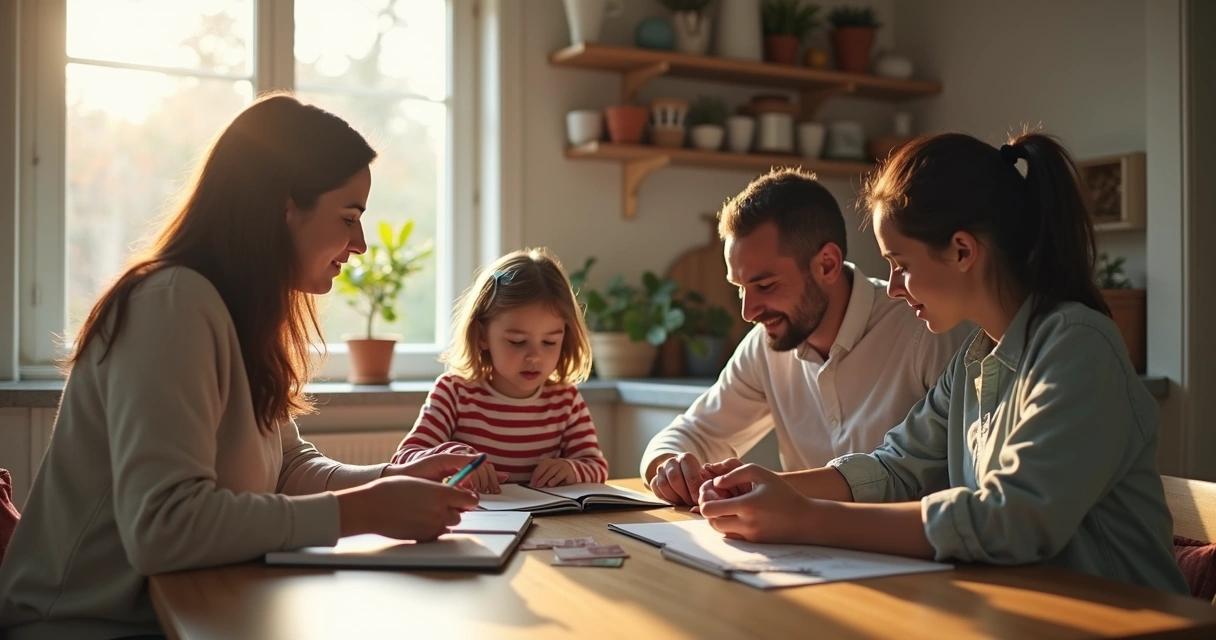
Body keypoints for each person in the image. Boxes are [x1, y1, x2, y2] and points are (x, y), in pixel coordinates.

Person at [0, 94, 482, 640]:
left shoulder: (236, 312)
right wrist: (364, 512)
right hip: (84, 627)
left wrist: (389, 479)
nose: (361, 244)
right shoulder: (171, 304)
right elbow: (164, 526)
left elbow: (287, 469)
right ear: (283, 206)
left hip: (177, 610)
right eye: (348, 217)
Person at [696, 131, 1189, 595]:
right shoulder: (974, 360)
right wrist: (771, 487)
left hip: (1125, 623)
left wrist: (804, 517)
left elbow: (1011, 520)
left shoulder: (1077, 345)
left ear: (961, 251)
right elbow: (896, 470)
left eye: (901, 265)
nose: (892, 287)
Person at [644, 168, 971, 505]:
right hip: (806, 552)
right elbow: (693, 433)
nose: (748, 312)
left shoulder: (927, 329)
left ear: (827, 264)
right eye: (740, 289)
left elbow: (960, 484)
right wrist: (670, 468)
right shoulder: (766, 344)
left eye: (766, 285)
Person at [391, 248, 608, 493]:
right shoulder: (454, 392)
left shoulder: (566, 400)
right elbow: (404, 459)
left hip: (549, 524)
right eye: (517, 341)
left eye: (549, 342)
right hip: (475, 523)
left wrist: (572, 469)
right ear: (482, 335)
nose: (534, 356)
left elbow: (596, 466)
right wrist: (449, 456)